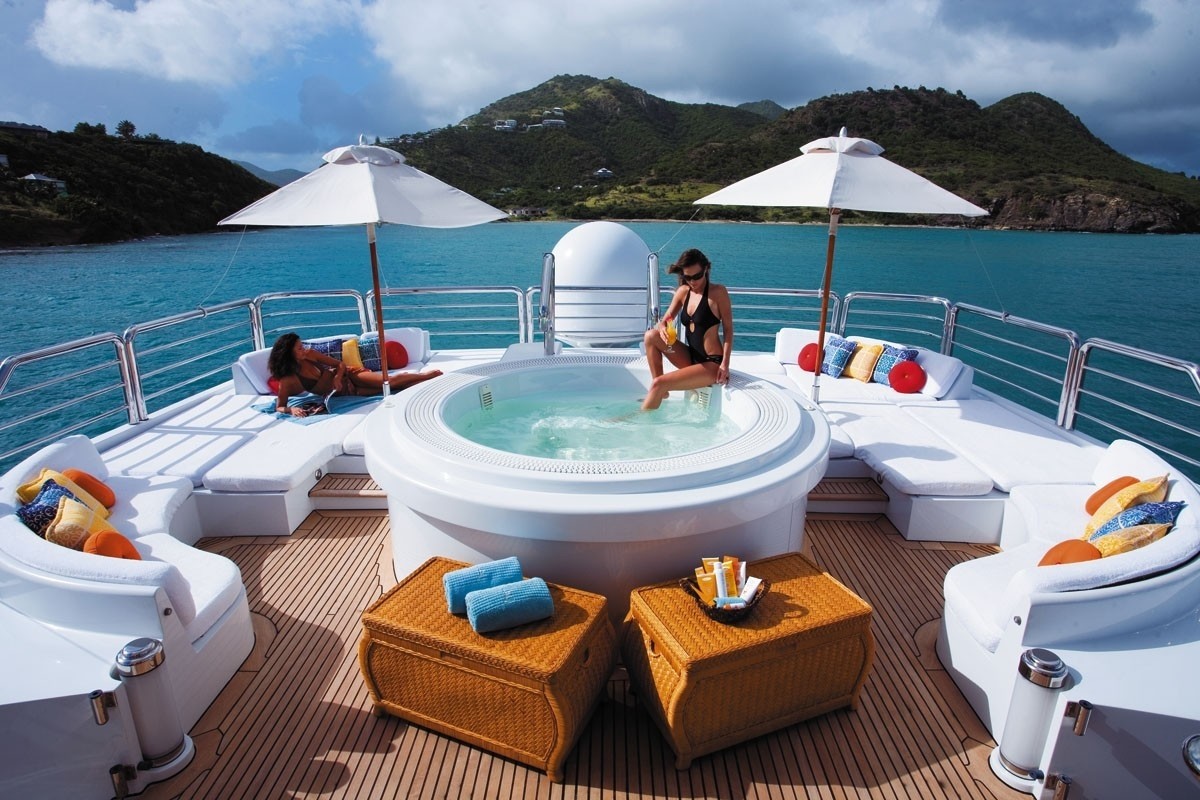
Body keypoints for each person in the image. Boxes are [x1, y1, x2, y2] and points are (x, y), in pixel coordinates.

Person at [641, 248, 733, 411]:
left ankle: (638, 417)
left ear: (706, 269)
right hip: (690, 357)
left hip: (711, 364)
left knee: (658, 384)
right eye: (687, 277)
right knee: (650, 336)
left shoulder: (718, 292)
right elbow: (665, 320)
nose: (692, 281)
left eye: (697, 276)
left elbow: (728, 330)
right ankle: (662, 392)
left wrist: (725, 365)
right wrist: (663, 328)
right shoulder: (683, 292)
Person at [267, 332, 442, 417]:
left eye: (302, 345)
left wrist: (337, 378)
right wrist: (292, 409)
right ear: (289, 354)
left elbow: (340, 365)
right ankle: (430, 385)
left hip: (349, 376)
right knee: (391, 391)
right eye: (299, 348)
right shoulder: (288, 380)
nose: (304, 349)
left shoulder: (310, 355)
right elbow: (280, 406)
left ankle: (426, 376)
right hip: (345, 393)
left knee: (389, 381)